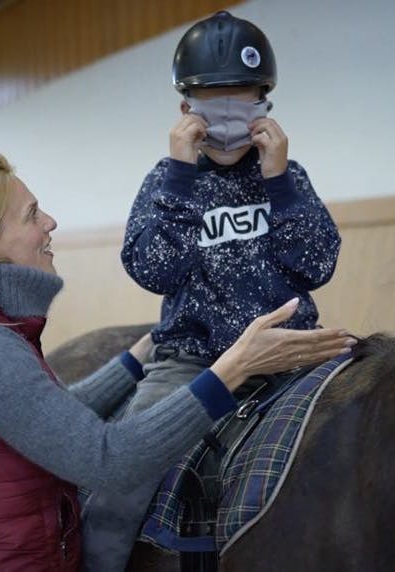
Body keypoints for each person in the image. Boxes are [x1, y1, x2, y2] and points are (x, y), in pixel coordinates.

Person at [0, 151, 354, 571]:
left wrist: (135, 357)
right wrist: (233, 367)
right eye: (31, 215)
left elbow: (51, 414)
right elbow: (108, 461)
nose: (50, 223)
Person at [81, 11, 346, 570]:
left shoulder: (289, 177)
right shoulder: (165, 179)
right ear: (186, 110)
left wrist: (278, 183)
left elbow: (319, 262)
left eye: (242, 103)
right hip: (190, 362)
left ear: (264, 107)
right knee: (121, 479)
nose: (228, 120)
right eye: (212, 104)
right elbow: (155, 270)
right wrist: (180, 177)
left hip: (289, 353)